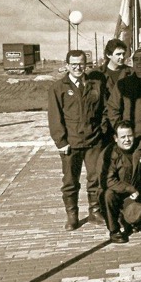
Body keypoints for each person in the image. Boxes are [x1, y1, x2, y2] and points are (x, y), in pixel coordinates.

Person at [47, 50, 107, 229]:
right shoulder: (58, 88)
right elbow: (54, 117)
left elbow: (103, 109)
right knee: (70, 181)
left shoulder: (95, 85)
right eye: (73, 64)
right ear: (67, 65)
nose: (77, 67)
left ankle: (95, 212)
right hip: (71, 143)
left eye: (81, 63)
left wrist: (101, 130)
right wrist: (61, 141)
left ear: (86, 65)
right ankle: (72, 215)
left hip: (93, 141)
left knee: (95, 178)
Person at [102, 121, 141, 243]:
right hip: (119, 194)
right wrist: (129, 189)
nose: (127, 140)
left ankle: (132, 221)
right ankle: (114, 230)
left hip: (138, 191)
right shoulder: (110, 153)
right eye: (123, 137)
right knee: (108, 195)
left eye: (129, 136)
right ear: (115, 138)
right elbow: (109, 180)